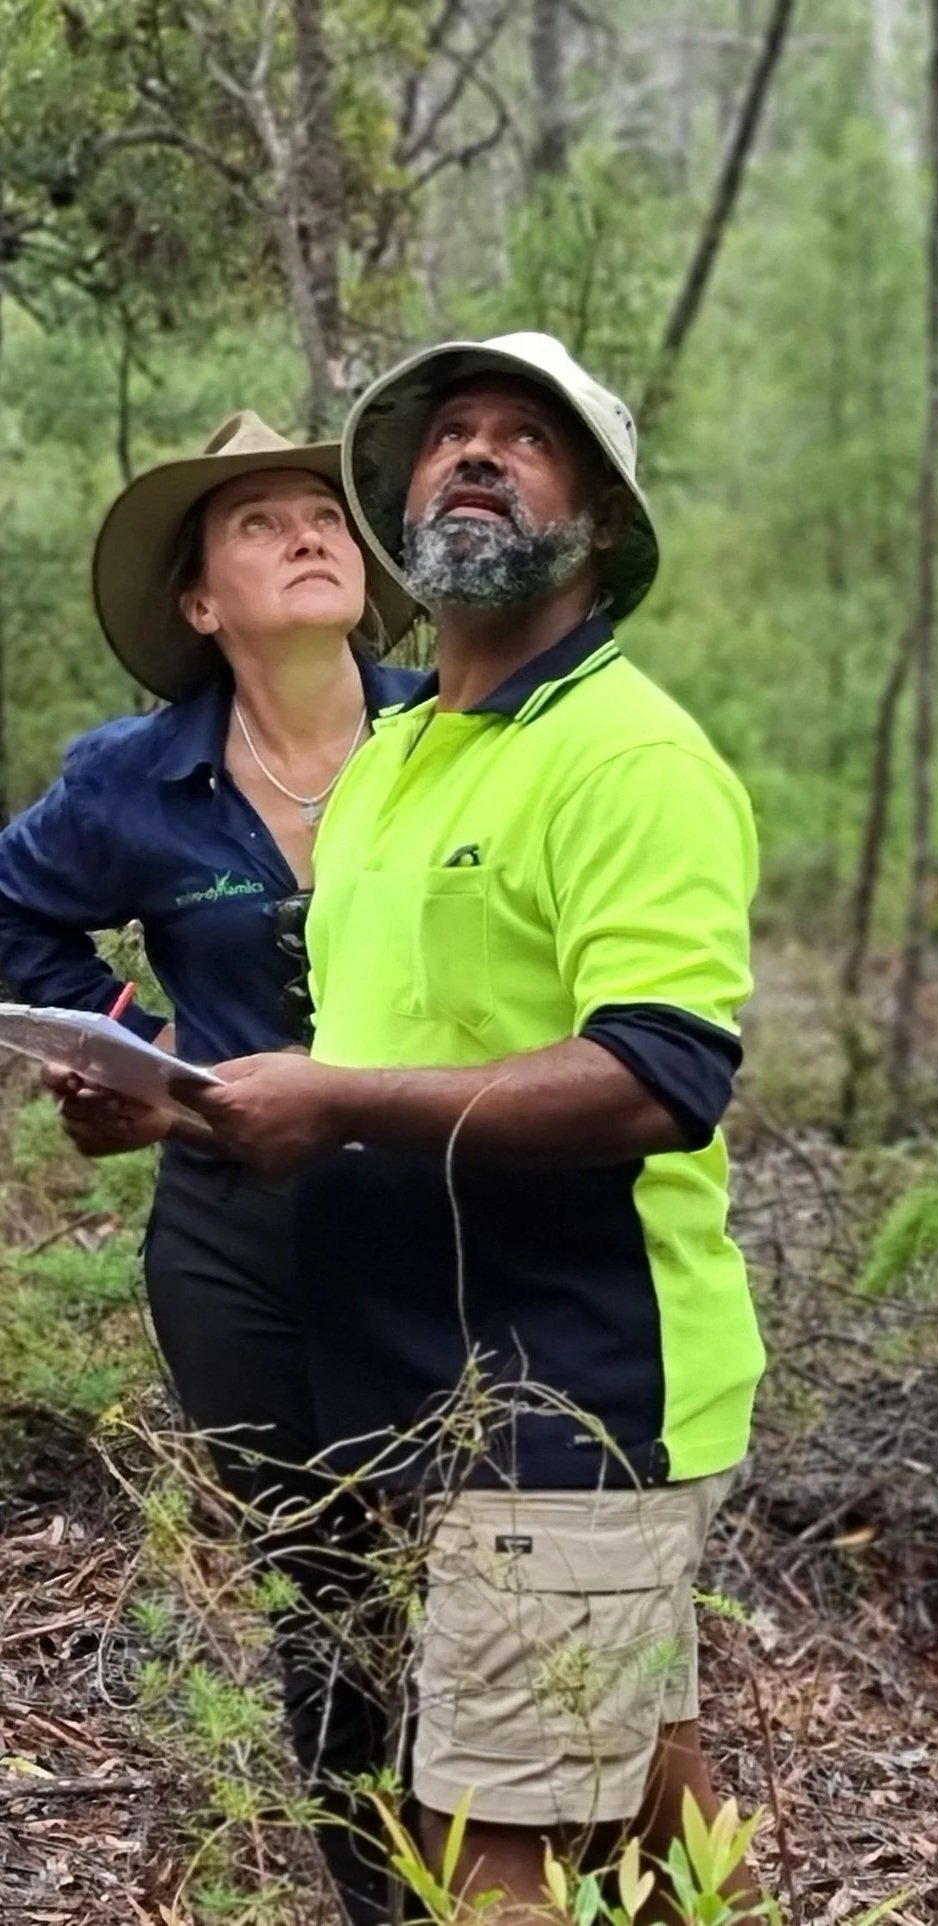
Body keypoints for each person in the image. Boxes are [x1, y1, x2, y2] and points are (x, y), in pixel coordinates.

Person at [182, 333, 767, 1921]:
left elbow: (661, 1072)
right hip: (407, 1370)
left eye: (531, 437)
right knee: (652, 1806)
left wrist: (334, 1104)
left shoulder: (630, 757)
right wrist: (203, 1096)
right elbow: (386, 1044)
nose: (480, 454)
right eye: (453, 435)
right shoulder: (388, 758)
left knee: (479, 1851)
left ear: (600, 521)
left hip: (569, 1390)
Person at [0, 411, 425, 1925]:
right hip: (236, 1235)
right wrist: (143, 1052)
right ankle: (384, 1897)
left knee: (475, 1563)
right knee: (328, 1585)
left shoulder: (456, 734)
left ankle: (511, 1875)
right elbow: (13, 915)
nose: (309, 533)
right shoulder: (138, 779)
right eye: (258, 524)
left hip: (449, 1215)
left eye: (326, 514)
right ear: (200, 603)